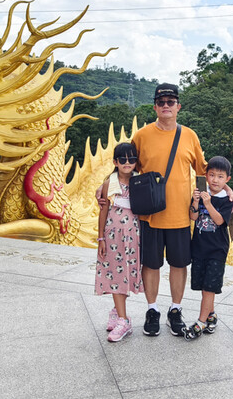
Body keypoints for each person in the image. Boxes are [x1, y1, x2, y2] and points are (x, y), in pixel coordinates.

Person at [124, 82, 233, 337]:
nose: (166, 106)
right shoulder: (141, 136)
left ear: (178, 106)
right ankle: (152, 310)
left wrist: (226, 189)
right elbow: (127, 167)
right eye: (161, 102)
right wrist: (107, 186)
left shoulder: (189, 136)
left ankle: (175, 309)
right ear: (155, 106)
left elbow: (204, 170)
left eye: (170, 102)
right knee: (151, 265)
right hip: (150, 214)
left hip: (181, 215)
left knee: (178, 264)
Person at [94, 141, 144, 342]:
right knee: (116, 274)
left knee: (126, 273)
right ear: (115, 162)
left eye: (131, 159)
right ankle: (124, 320)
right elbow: (103, 211)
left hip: (133, 236)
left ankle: (117, 310)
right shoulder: (109, 183)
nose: (127, 162)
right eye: (122, 159)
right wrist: (101, 238)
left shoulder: (140, 182)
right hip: (113, 235)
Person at [183, 156, 233, 340]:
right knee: (204, 286)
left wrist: (208, 203)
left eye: (220, 177)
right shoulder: (200, 193)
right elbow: (193, 217)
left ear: (227, 179)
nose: (215, 180)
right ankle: (211, 315)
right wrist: (196, 202)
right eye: (211, 175)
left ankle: (201, 322)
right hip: (199, 248)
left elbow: (220, 221)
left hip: (216, 251)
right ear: (206, 176)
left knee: (209, 288)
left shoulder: (227, 199)